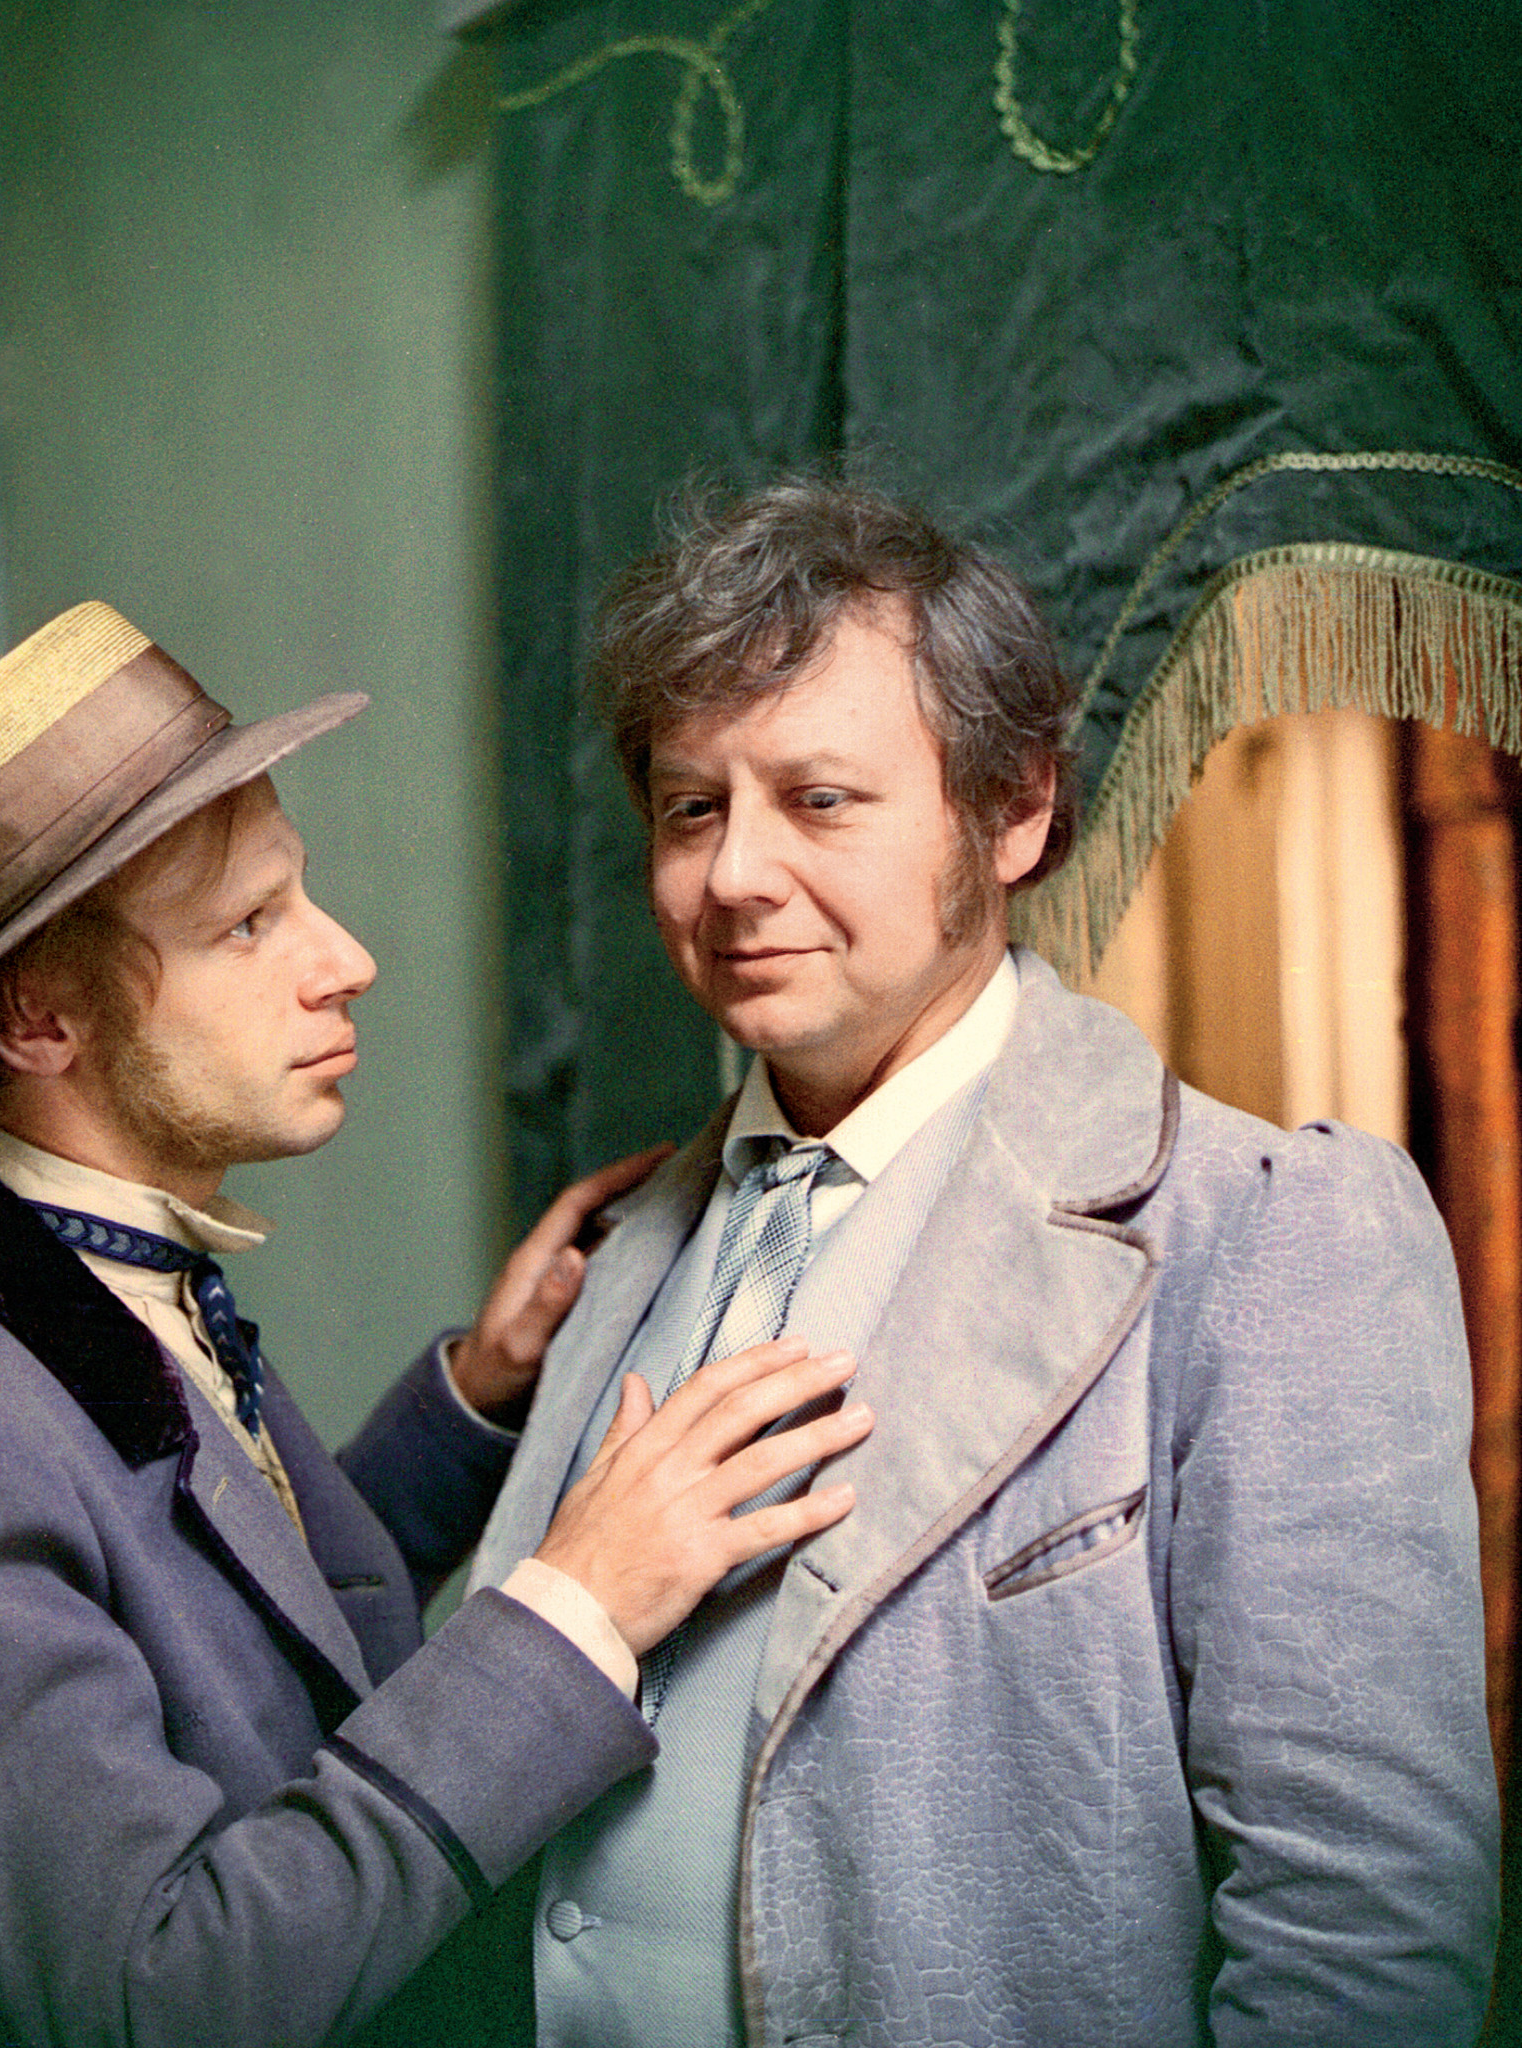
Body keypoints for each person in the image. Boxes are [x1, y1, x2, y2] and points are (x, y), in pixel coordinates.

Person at [0, 601, 877, 2047]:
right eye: (248, 924)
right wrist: (578, 1607)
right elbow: (161, 1999)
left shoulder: (78, 1281)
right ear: (31, 1020)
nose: (346, 960)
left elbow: (219, 1634)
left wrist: (477, 1396)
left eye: (299, 892)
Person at [468, 477, 1500, 2047]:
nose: (734, 875)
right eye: (691, 808)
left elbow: (1363, 1932)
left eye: (821, 799)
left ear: (1013, 810)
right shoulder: (619, 1247)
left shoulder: (1268, 1231)